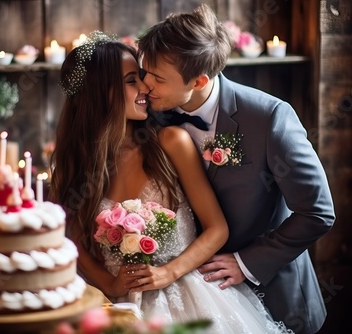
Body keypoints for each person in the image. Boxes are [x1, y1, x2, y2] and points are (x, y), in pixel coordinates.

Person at [49, 31, 293, 333]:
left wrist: (167, 272)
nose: (145, 87)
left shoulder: (171, 142)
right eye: (131, 80)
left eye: (141, 76)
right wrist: (110, 283)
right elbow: (73, 240)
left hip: (189, 293)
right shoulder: (75, 164)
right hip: (116, 303)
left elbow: (217, 228)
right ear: (102, 93)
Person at [136, 4, 335, 334]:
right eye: (145, 72)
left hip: (274, 294)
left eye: (158, 78)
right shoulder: (153, 114)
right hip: (193, 300)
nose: (146, 85)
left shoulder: (269, 118)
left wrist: (246, 262)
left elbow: (318, 212)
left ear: (199, 80)